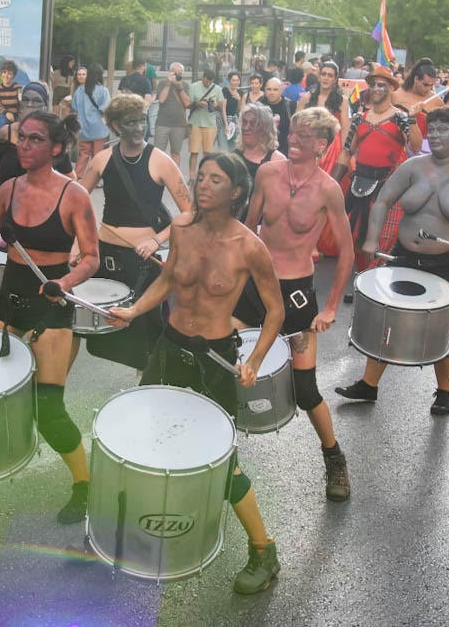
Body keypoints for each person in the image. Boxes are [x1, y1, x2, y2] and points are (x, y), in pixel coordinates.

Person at [107, 153, 285, 595]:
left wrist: (255, 361)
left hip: (215, 360)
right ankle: (143, 533)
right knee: (146, 440)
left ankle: (264, 549)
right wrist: (133, 310)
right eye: (200, 177)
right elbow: (168, 281)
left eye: (215, 179)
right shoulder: (182, 230)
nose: (203, 185)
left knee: (222, 464)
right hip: (169, 347)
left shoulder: (249, 247)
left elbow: (276, 311)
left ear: (237, 191)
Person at [0, 112, 100, 522]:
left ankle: (85, 485)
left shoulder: (73, 196)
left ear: (56, 149)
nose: (23, 145)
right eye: (21, 138)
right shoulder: (9, 189)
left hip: (51, 304)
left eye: (35, 139)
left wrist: (66, 281)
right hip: (9, 299)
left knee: (49, 411)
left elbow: (92, 257)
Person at [336, 107, 449, 413]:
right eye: (434, 129)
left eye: (445, 130)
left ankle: (444, 391)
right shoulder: (413, 167)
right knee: (388, 320)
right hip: (405, 256)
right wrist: (372, 239)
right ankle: (368, 385)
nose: (437, 135)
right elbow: (384, 200)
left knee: (444, 330)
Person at [239, 108, 355, 500]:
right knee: (222, 360)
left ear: (322, 145)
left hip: (297, 293)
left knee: (305, 389)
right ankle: (217, 451)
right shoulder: (268, 174)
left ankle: (334, 458)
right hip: (255, 284)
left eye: (306, 135)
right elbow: (246, 231)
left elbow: (348, 254)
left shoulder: (327, 190)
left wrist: (332, 307)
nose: (294, 137)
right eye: (293, 131)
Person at [76, 94, 191, 368]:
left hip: (143, 261)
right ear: (115, 126)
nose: (139, 128)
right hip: (106, 256)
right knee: (91, 325)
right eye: (130, 123)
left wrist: (157, 239)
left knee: (147, 332)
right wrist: (77, 243)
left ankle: (148, 387)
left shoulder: (161, 161)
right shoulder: (102, 159)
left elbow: (190, 212)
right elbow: (76, 202)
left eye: (142, 121)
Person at [0, 83, 73, 327]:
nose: (29, 105)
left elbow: (72, 181)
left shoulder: (52, 142)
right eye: (25, 99)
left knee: (20, 286)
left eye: (36, 101)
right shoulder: (5, 134)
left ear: (45, 104)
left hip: (32, 224)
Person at [333, 65, 421, 282]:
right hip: (361, 183)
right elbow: (346, 152)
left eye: (382, 84)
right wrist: (330, 182)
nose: (376, 88)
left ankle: (374, 280)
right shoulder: (360, 118)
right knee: (356, 236)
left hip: (388, 186)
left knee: (382, 237)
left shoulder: (400, 117)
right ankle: (362, 278)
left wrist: (412, 120)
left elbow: (416, 147)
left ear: (391, 88)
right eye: (373, 84)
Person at [71, 62, 110, 178]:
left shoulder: (79, 90)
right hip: (99, 129)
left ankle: (76, 176)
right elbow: (106, 109)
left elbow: (74, 107)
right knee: (97, 156)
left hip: (83, 128)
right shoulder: (103, 91)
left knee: (83, 154)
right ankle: (94, 178)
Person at [187, 68, 224, 182]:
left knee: (208, 153)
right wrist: (198, 103)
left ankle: (205, 176)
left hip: (210, 124)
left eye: (210, 81)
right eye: (207, 80)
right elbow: (188, 104)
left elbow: (221, 106)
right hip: (196, 123)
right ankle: (192, 176)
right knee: (194, 152)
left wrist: (216, 104)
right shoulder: (194, 86)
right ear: (203, 77)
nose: (208, 83)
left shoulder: (217, 89)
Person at [153, 62, 191, 165]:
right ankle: (156, 177)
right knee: (158, 152)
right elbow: (161, 100)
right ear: (170, 73)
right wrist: (169, 83)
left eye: (180, 73)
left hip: (179, 124)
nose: (178, 75)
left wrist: (180, 87)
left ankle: (174, 178)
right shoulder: (163, 83)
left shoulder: (185, 85)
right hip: (162, 123)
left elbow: (187, 103)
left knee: (176, 153)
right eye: (175, 73)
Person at [260, 77, 293, 155]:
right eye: (269, 89)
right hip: (262, 150)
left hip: (283, 151)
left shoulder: (290, 106)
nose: (272, 92)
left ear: (281, 90)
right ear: (264, 90)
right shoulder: (259, 105)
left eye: (275, 89)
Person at [223, 71, 243, 148]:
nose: (235, 82)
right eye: (233, 80)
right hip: (224, 119)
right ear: (229, 80)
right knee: (224, 144)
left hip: (234, 121)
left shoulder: (240, 92)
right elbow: (223, 109)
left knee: (233, 144)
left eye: (237, 80)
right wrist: (226, 125)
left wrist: (239, 99)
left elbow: (239, 110)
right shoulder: (225, 90)